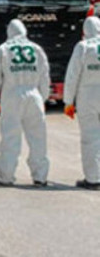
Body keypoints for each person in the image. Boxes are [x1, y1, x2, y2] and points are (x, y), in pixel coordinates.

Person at [0, 19, 50, 187]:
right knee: (38, 138)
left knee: (10, 137)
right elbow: (45, 77)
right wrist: (42, 98)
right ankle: (40, 177)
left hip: (11, 95)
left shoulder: (3, 50)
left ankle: (6, 177)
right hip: (34, 94)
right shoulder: (37, 49)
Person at [63, 16, 100, 190]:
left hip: (88, 96)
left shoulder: (83, 47)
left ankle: (93, 179)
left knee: (90, 138)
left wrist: (68, 102)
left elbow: (72, 76)